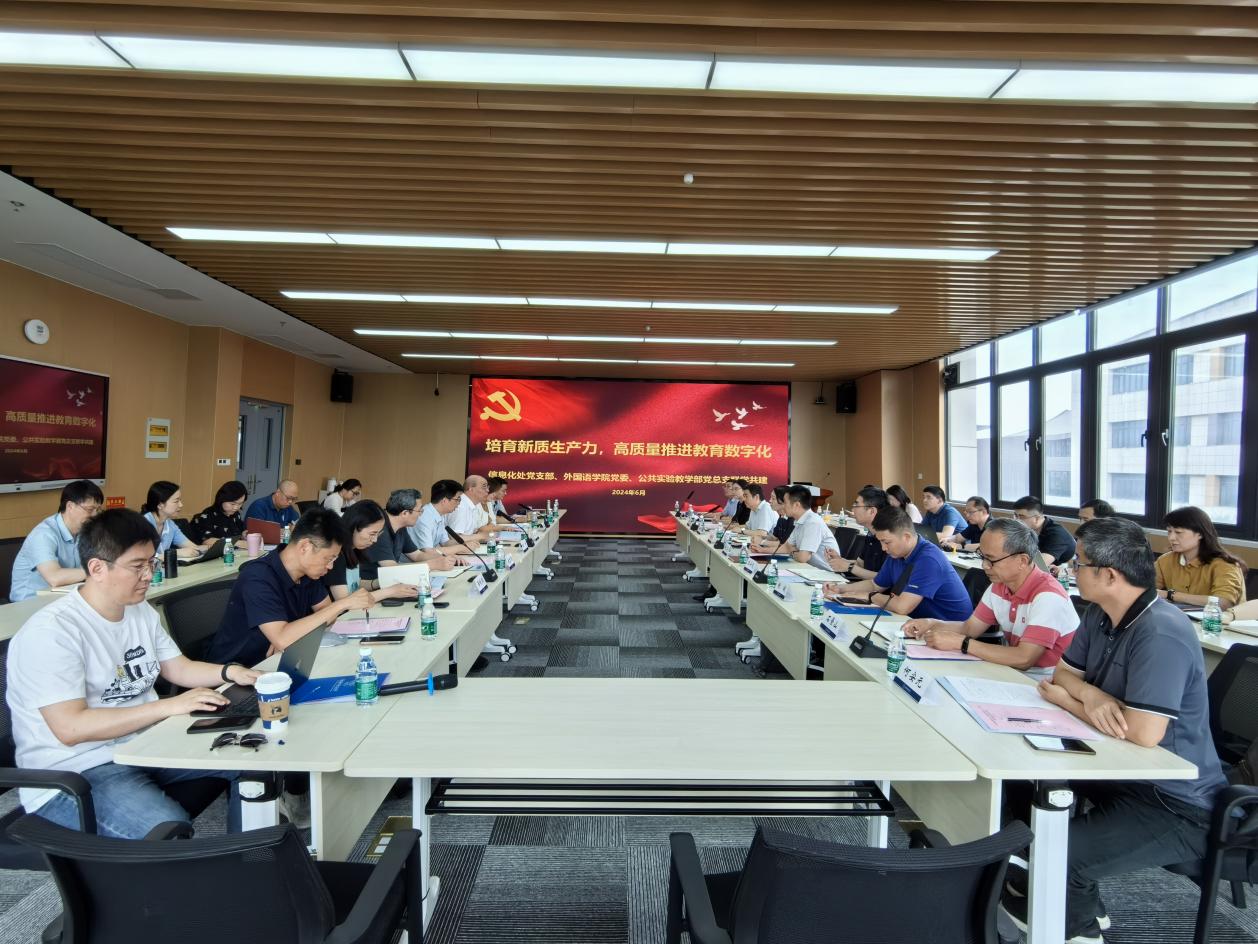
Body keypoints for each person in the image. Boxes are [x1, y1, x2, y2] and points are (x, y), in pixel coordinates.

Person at [1002, 515, 1228, 944]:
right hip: (1123, 771)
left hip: (1175, 801)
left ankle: (1078, 928)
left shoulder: (1161, 631)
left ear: (1109, 574)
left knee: (1057, 852)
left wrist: (1071, 700)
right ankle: (1081, 902)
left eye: (1080, 563)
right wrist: (1092, 696)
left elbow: (1143, 733)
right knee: (1023, 782)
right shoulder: (1100, 614)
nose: (1072, 570)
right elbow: (1062, 675)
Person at [8, 509, 258, 838]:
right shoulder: (52, 632)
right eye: (137, 566)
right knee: (167, 830)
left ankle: (254, 858)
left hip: (143, 743)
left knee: (256, 761)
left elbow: (178, 667)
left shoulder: (138, 610)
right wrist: (169, 706)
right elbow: (71, 728)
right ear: (97, 568)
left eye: (151, 563)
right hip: (77, 771)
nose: (149, 575)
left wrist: (230, 672)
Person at [903, 518, 1078, 673]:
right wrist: (932, 624)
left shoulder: (1048, 596)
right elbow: (969, 629)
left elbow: (1024, 658)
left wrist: (962, 643)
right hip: (1013, 672)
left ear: (1022, 561)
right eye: (982, 556)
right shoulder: (1000, 585)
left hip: (1046, 680)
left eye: (991, 559)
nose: (985, 566)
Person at [208, 508, 374, 668]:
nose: (330, 566)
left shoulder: (308, 573)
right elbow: (284, 638)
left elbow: (327, 616)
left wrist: (292, 635)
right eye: (328, 558)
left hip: (280, 660)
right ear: (305, 547)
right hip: (237, 670)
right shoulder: (258, 577)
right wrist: (341, 604)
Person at [832, 506, 971, 621]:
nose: (883, 548)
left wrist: (870, 596)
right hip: (916, 622)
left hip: (949, 631)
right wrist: (840, 589)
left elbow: (902, 607)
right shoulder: (896, 554)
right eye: (881, 542)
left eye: (886, 542)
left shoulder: (929, 559)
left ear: (906, 537)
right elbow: (875, 585)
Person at [9, 480, 103, 601]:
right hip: (27, 602)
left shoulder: (85, 531)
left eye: (98, 510)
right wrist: (96, 570)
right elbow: (54, 578)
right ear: (70, 506)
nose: (95, 515)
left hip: (61, 598)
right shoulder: (43, 534)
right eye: (90, 510)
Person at [324, 500, 418, 602]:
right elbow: (344, 601)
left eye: (378, 534)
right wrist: (390, 592)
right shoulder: (336, 555)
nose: (375, 540)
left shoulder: (355, 550)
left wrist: (379, 582)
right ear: (354, 527)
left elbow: (355, 584)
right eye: (372, 534)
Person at [1155, 506, 1246, 609]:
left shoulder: (1225, 565)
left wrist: (1171, 595)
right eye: (1169, 531)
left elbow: (1223, 602)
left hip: (1218, 619)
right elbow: (1147, 591)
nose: (1171, 538)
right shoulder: (1165, 561)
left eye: (1178, 532)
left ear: (1200, 534)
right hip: (1179, 617)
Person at [363, 488, 453, 580]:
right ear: (405, 513)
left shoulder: (400, 527)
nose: (420, 514)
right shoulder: (379, 529)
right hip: (372, 583)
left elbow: (417, 555)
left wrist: (443, 558)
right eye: (419, 510)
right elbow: (391, 569)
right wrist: (432, 564)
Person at [822, 485, 889, 580]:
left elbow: (885, 579)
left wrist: (849, 567)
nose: (853, 510)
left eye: (856, 506)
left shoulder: (888, 539)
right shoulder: (870, 534)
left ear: (872, 511)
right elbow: (860, 564)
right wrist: (839, 560)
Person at [141, 481, 214, 560]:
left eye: (180, 500)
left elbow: (192, 547)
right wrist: (175, 553)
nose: (181, 505)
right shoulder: (142, 524)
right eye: (176, 501)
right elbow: (143, 557)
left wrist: (211, 547)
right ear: (160, 505)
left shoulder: (170, 524)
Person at [778, 484, 841, 571]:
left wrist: (792, 553)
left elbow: (803, 557)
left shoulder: (813, 522)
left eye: (785, 503)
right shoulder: (799, 521)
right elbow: (786, 547)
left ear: (796, 505)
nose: (783, 506)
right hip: (810, 570)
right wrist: (762, 550)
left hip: (826, 574)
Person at [1013, 495, 1076, 565]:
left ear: (1037, 518)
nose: (1017, 520)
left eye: (1021, 517)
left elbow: (1039, 564)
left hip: (1059, 569)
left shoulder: (1057, 535)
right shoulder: (1025, 528)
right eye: (1015, 516)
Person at [186, 480, 248, 545]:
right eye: (232, 504)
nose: (236, 507)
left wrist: (243, 535)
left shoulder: (236, 515)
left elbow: (239, 533)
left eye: (240, 504)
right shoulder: (206, 516)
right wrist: (237, 543)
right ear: (222, 499)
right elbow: (207, 541)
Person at [447, 476, 494, 541]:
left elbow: (473, 531)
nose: (487, 490)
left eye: (487, 487)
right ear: (471, 489)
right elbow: (454, 538)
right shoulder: (461, 506)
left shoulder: (472, 505)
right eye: (484, 487)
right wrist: (480, 536)